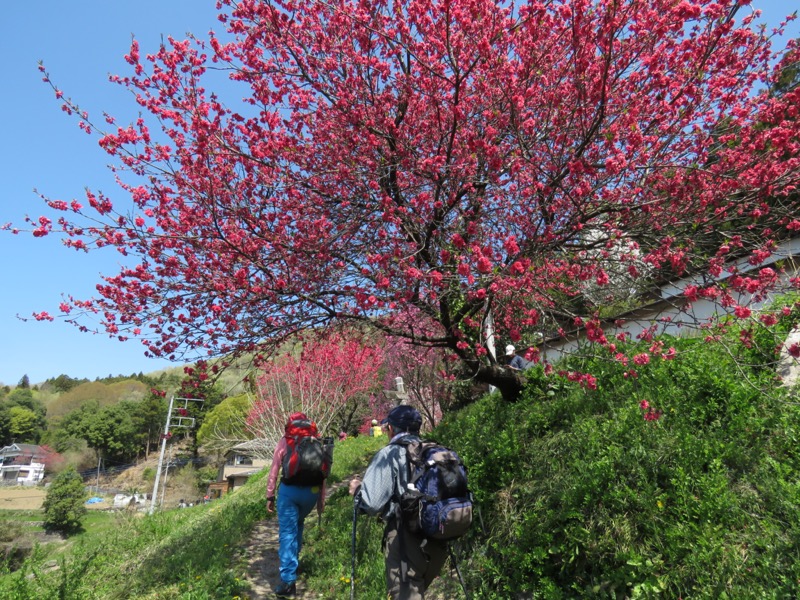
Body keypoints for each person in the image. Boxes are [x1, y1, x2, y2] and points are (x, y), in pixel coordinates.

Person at [349, 405, 448, 600]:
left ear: (391, 429)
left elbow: (371, 504)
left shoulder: (390, 454)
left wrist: (357, 490)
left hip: (406, 540)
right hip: (438, 536)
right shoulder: (433, 451)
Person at [266, 412, 326, 598]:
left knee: (287, 532)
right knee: (298, 524)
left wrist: (270, 495)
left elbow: (275, 468)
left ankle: (288, 581)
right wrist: (320, 501)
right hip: (311, 493)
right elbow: (323, 472)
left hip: (289, 492)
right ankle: (294, 562)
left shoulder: (286, 440)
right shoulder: (316, 441)